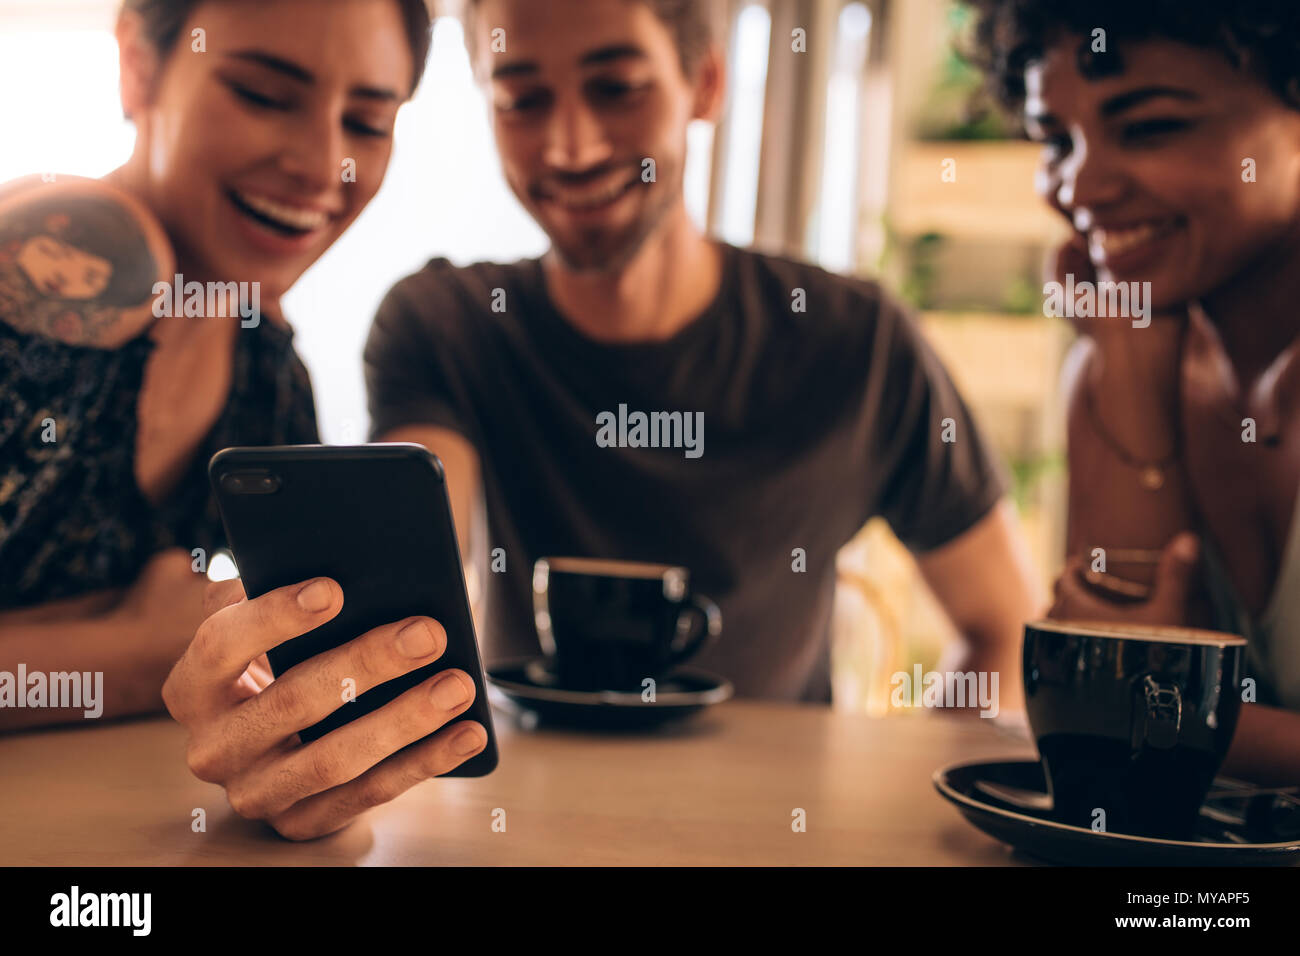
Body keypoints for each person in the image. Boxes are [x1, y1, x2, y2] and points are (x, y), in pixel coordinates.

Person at [356, 0, 1043, 705]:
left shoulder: (856, 343)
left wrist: (894, 802)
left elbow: (1004, 628)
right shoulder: (446, 327)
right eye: (520, 100)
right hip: (524, 811)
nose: (570, 147)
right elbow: (405, 593)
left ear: (706, 82)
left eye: (617, 87)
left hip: (781, 816)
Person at [2, 0, 491, 838]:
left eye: (368, 123)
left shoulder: (266, 368)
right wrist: (145, 647)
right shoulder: (65, 259)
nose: (323, 163)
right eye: (264, 95)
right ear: (139, 66)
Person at [970, 0, 1300, 783]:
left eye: (1150, 127)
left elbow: (1119, 705)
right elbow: (1116, 764)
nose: (1077, 185)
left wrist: (1173, 711)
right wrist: (1131, 362)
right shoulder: (1111, 366)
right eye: (1056, 140)